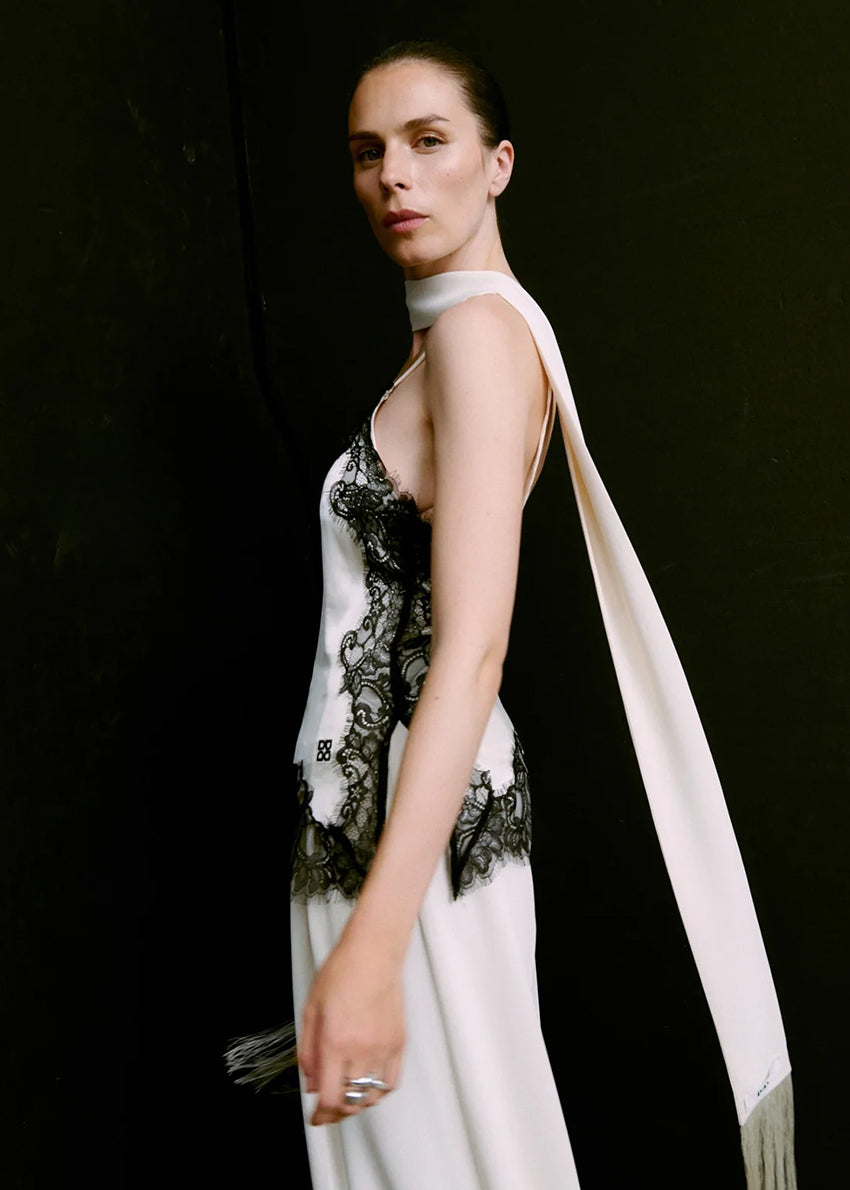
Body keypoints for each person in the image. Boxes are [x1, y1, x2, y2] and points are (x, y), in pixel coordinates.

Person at [225, 41, 795, 1190]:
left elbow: (474, 648)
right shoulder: (446, 340)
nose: (394, 175)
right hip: (362, 831)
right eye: (367, 153)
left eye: (429, 143)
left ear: (498, 164)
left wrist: (378, 945)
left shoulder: (482, 338)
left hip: (412, 850)